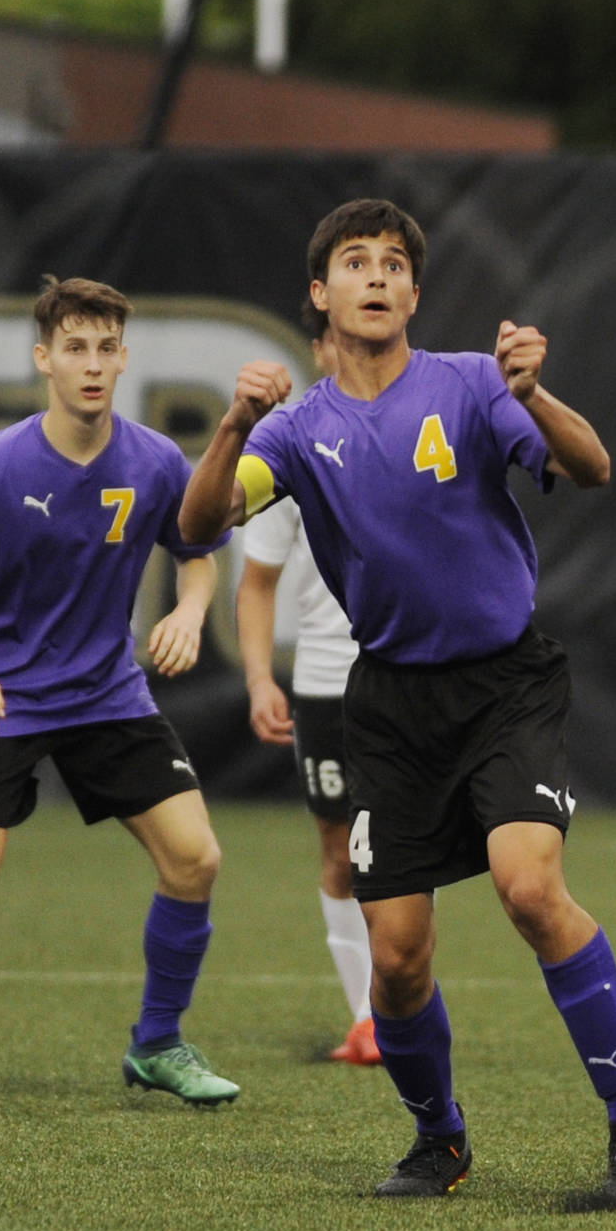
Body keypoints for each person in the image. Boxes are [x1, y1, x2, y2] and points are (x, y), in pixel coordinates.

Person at [178, 198, 616, 1209]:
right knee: (397, 962)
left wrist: (536, 395)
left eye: (394, 263)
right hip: (391, 708)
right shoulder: (295, 430)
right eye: (354, 261)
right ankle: (437, 1141)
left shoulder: (475, 383)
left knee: (529, 888)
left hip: (504, 686)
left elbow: (591, 466)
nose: (375, 275)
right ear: (320, 295)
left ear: (413, 292)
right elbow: (199, 522)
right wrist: (231, 425)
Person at [0, 276, 239, 1114]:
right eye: (75, 348)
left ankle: (158, 1044)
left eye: (106, 348)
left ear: (124, 358)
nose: (92, 365)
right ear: (45, 359)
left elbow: (197, 553)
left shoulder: (155, 461)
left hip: (109, 697)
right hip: (4, 699)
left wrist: (189, 609)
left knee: (196, 859)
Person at [237, 324, 380, 1066]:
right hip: (326, 682)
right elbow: (256, 582)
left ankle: (404, 1002)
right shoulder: (292, 445)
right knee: (340, 850)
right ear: (319, 346)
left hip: (408, 675)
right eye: (331, 338)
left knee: (408, 848)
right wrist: (260, 677)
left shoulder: (420, 423)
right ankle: (369, 1019)